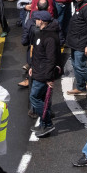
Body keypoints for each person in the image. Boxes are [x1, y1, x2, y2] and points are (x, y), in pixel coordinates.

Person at [27, 10, 60, 138]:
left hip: (43, 74)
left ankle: (47, 121)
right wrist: (32, 67)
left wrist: (48, 77)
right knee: (39, 98)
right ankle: (43, 123)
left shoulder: (50, 37)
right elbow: (37, 54)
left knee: (34, 97)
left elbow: (51, 59)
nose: (34, 21)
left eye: (36, 19)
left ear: (41, 21)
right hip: (38, 71)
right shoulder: (40, 34)